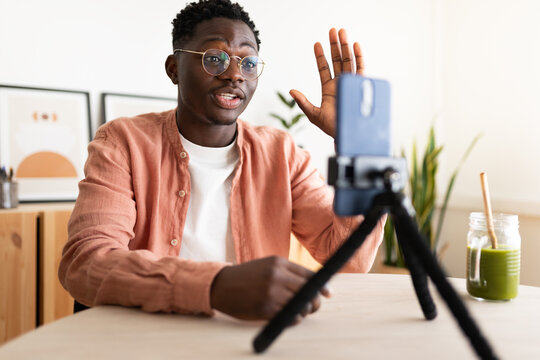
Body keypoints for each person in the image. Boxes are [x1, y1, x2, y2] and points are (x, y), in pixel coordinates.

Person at [59, 0, 385, 322]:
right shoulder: (123, 143)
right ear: (174, 69)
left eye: (248, 63)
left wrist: (356, 144)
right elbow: (87, 262)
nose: (234, 75)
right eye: (215, 59)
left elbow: (349, 261)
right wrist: (215, 286)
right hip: (150, 335)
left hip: (246, 337)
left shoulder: (282, 153)